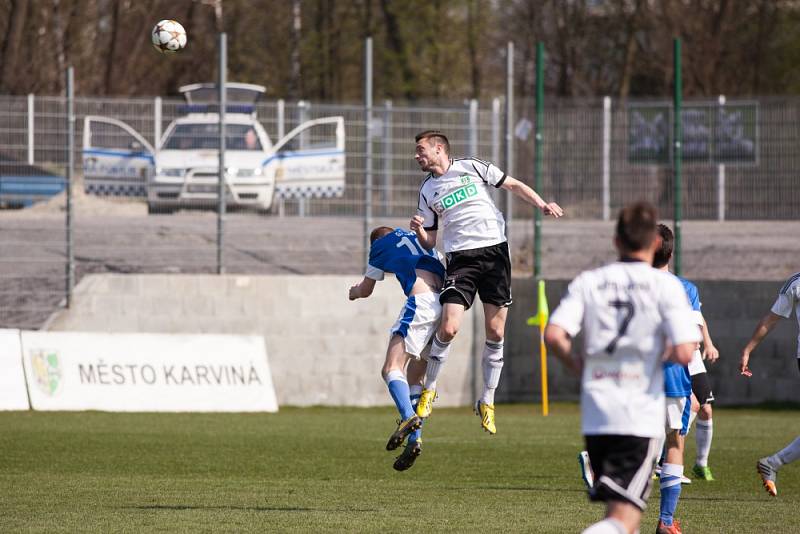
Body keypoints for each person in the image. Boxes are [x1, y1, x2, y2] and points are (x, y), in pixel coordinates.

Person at [544, 202, 701, 534]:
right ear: (655, 244)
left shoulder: (591, 281)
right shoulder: (667, 287)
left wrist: (576, 364)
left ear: (616, 241)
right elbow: (687, 350)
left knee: (621, 516)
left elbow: (555, 335)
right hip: (639, 412)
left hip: (597, 413)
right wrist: (653, 356)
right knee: (624, 519)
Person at [409, 130, 563, 434]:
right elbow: (430, 242)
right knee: (449, 327)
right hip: (460, 260)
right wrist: (419, 232)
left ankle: (487, 400)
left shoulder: (472, 167)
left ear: (439, 148)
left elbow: (513, 184)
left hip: (495, 253)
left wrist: (541, 204)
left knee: (495, 330)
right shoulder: (427, 190)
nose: (417, 156)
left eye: (421, 150)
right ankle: (430, 389)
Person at [349, 226, 445, 471]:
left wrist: (353, 293)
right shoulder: (423, 239)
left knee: (391, 368)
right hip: (445, 307)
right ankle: (415, 439)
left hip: (421, 302)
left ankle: (408, 417)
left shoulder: (380, 246)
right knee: (415, 376)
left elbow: (366, 289)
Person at [739, 270, 800, 497]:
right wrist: (747, 350)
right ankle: (774, 463)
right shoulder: (796, 283)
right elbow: (771, 319)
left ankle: (773, 463)